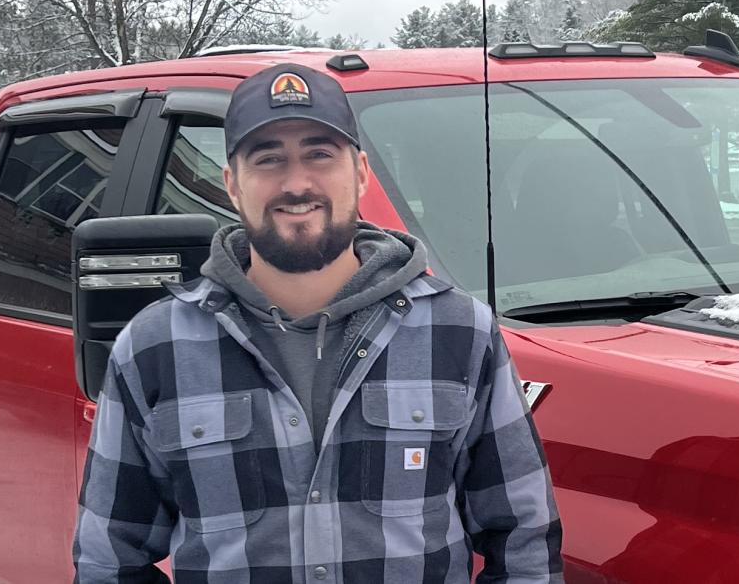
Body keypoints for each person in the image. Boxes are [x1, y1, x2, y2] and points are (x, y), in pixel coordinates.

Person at [75, 62, 563, 583]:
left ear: (359, 172)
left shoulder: (460, 333)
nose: (297, 182)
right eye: (267, 159)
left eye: (319, 154)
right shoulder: (155, 347)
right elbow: (110, 557)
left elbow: (523, 539)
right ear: (232, 186)